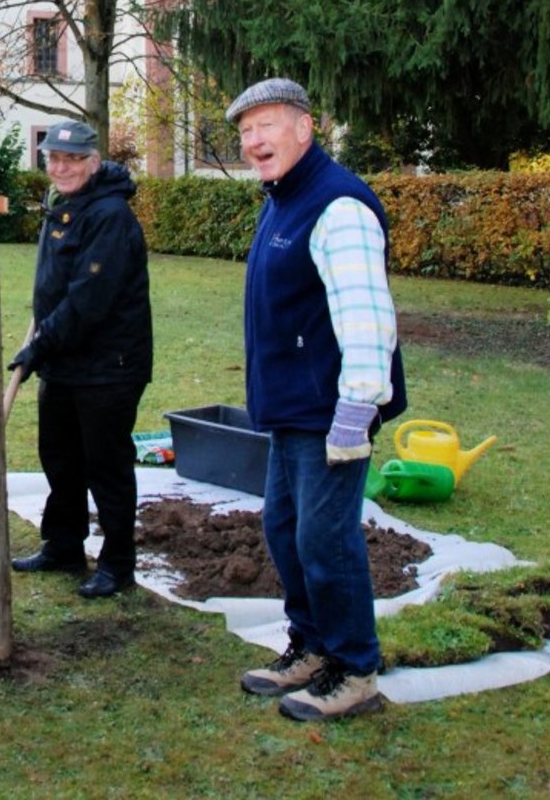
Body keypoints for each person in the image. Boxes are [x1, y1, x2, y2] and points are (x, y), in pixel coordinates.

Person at [228, 77, 406, 721]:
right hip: (291, 409)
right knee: (285, 529)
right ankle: (311, 646)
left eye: (266, 126)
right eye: (246, 132)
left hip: (333, 411)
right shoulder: (282, 199)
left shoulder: (338, 206)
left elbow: (368, 318)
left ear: (304, 128)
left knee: (325, 540)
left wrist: (356, 413)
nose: (253, 142)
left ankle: (355, 669)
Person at [8, 118, 152, 600]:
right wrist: (46, 343)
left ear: (93, 162)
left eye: (72, 160)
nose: (62, 167)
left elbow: (89, 299)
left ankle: (118, 563)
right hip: (66, 360)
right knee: (61, 458)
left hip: (108, 366)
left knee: (105, 465)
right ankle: (64, 545)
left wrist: (39, 345)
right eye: (54, 159)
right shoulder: (65, 205)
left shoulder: (110, 215)